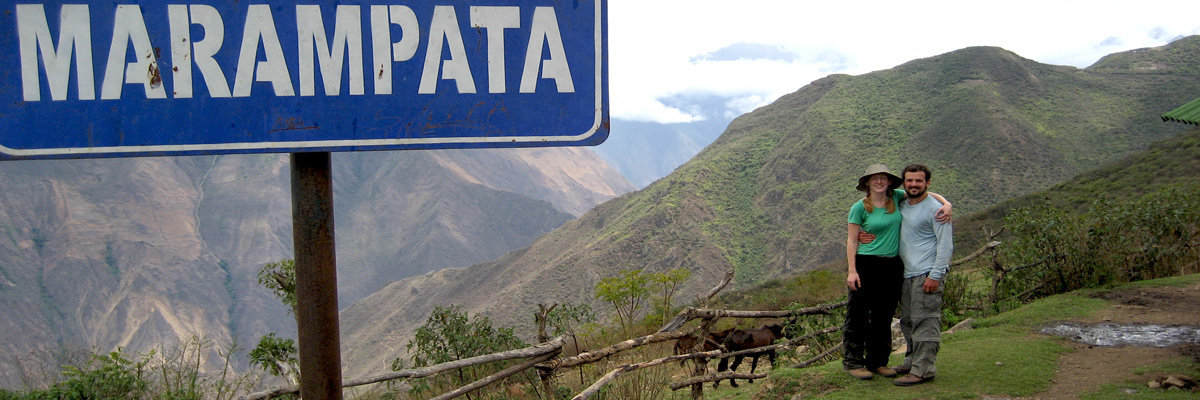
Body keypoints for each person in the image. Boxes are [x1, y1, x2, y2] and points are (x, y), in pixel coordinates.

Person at [842, 164, 951, 380]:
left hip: (892, 266)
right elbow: (852, 239)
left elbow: (926, 193)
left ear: (890, 181)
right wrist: (852, 270)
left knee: (884, 315)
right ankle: (853, 362)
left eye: (883, 178)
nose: (879, 182)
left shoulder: (897, 198)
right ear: (867, 183)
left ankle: (878, 361)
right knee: (858, 314)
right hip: (866, 264)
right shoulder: (859, 207)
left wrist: (947, 204)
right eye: (875, 179)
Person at [890, 164, 953, 386]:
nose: (914, 184)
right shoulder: (903, 203)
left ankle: (923, 370)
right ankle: (911, 362)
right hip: (907, 274)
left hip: (926, 273)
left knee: (925, 321)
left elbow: (945, 245)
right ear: (904, 182)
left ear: (927, 183)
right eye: (910, 181)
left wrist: (935, 275)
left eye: (919, 181)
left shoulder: (935, 209)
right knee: (908, 321)